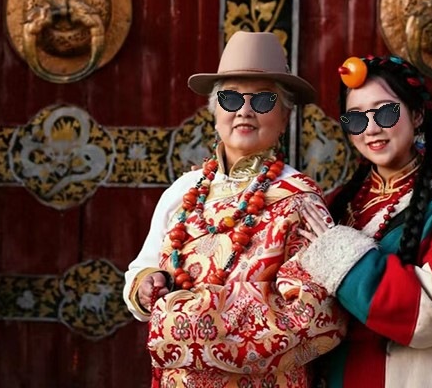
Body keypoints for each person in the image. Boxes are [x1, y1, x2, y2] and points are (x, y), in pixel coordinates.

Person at [123, 31, 346, 388]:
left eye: (263, 100)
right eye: (230, 99)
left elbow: (313, 310)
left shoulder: (300, 199)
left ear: (285, 115)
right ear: (215, 113)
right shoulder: (183, 191)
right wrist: (145, 284)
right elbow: (142, 268)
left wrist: (206, 325)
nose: (244, 110)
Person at [295, 55, 432, 387]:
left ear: (417, 115)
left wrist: (344, 260)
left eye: (385, 112)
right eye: (356, 119)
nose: (371, 129)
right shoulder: (337, 204)